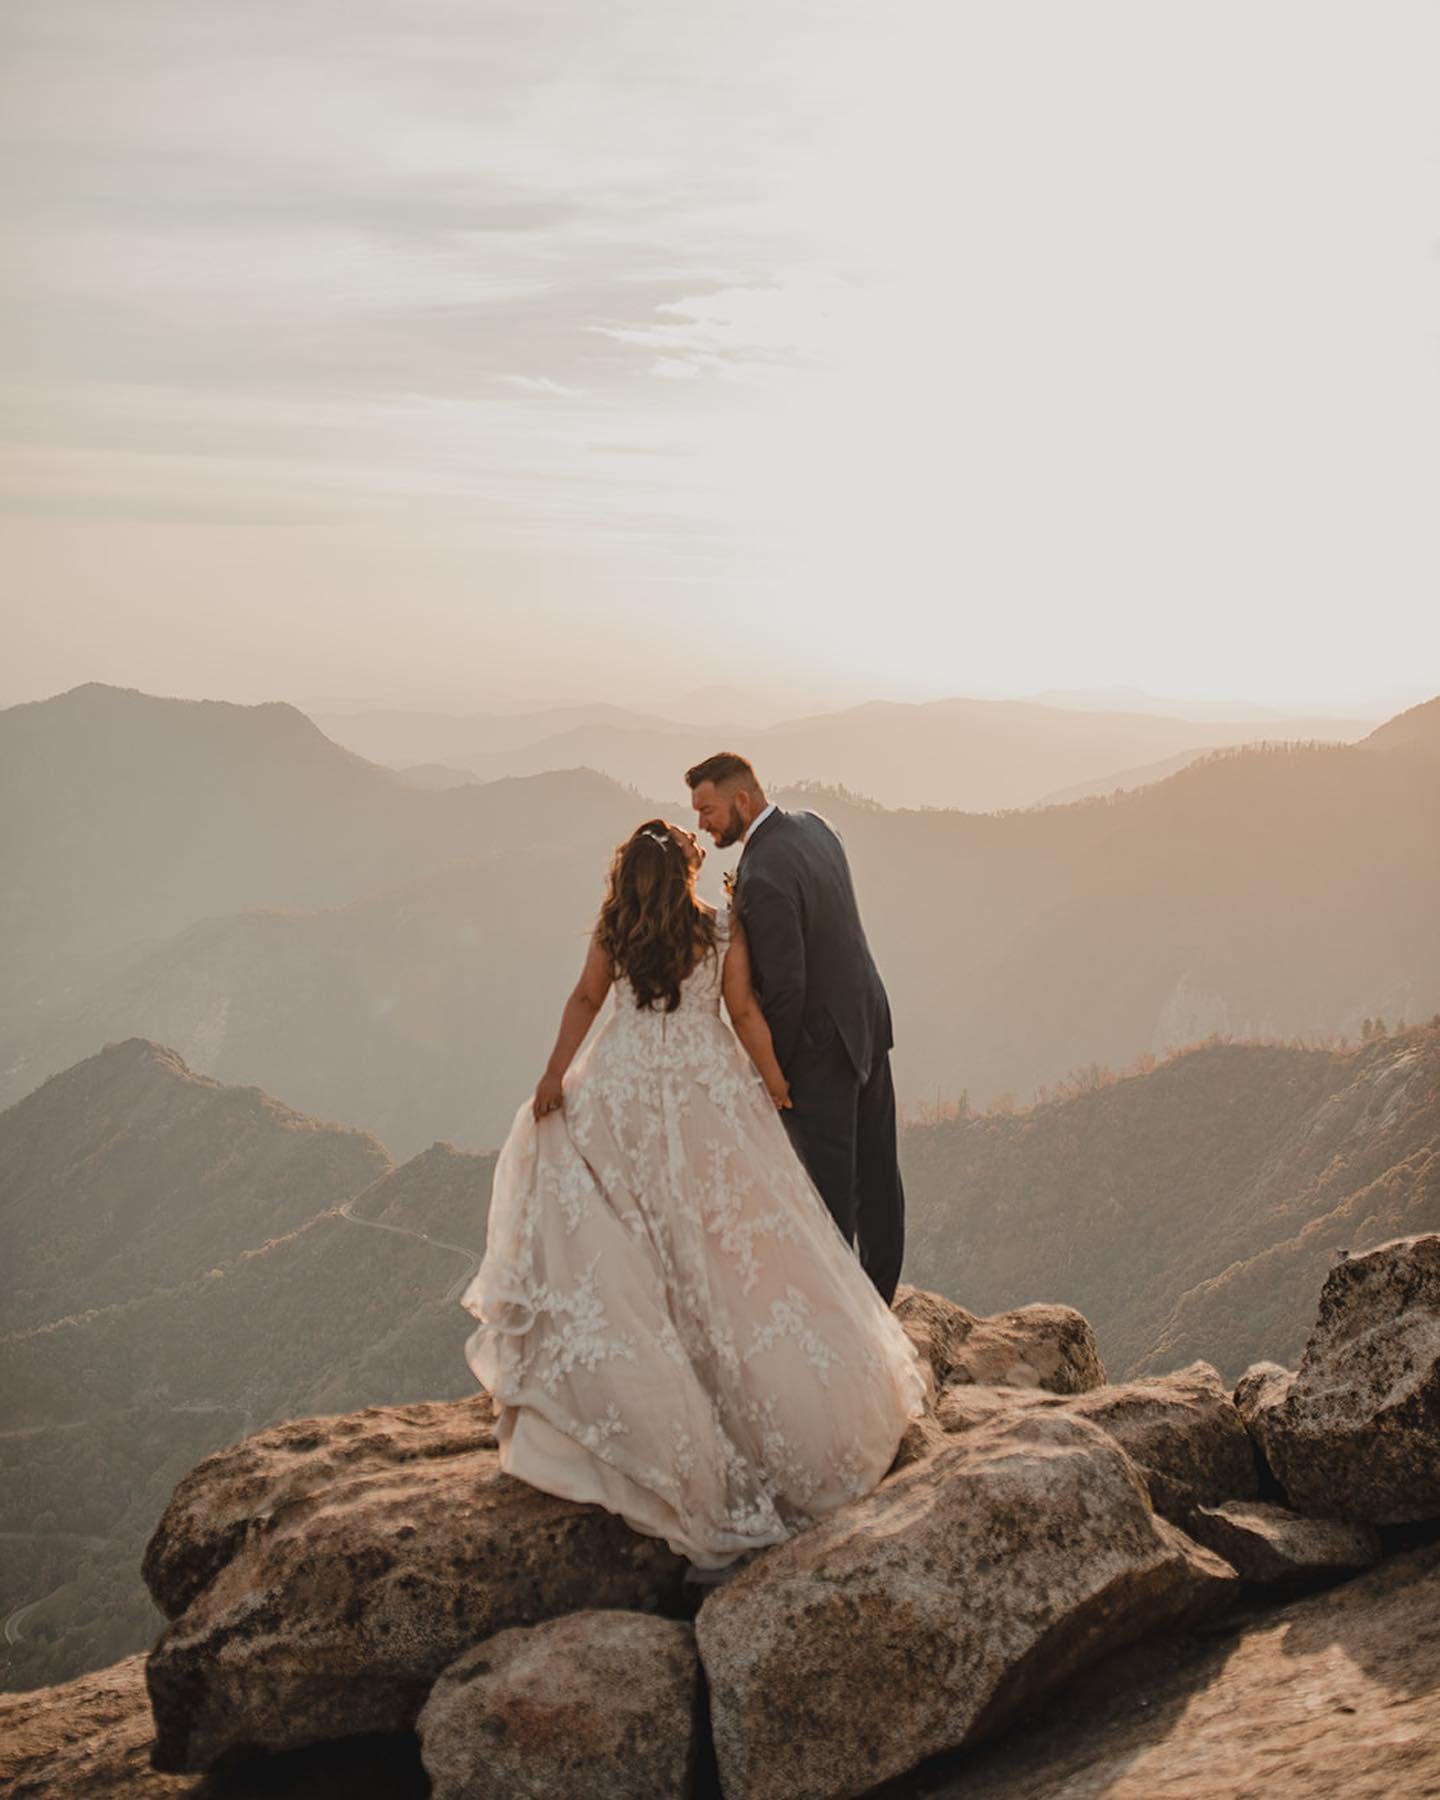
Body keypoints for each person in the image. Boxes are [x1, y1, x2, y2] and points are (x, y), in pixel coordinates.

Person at [461, 817, 927, 1577]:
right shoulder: (717, 929)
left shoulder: (615, 929)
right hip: (706, 1093)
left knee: (631, 1232)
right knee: (728, 1236)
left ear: (625, 880)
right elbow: (742, 1013)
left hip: (625, 1091)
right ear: (686, 872)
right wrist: (773, 1080)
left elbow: (585, 999)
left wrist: (553, 1077)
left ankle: (654, 1396)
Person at [686, 753, 906, 1304]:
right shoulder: (816, 826)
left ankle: (845, 1316)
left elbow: (786, 990)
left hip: (819, 1051)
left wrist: (773, 1074)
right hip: (866, 1022)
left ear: (741, 800)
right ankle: (878, 1298)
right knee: (879, 1177)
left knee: (828, 1192)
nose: (702, 824)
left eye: (708, 809)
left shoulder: (761, 876)